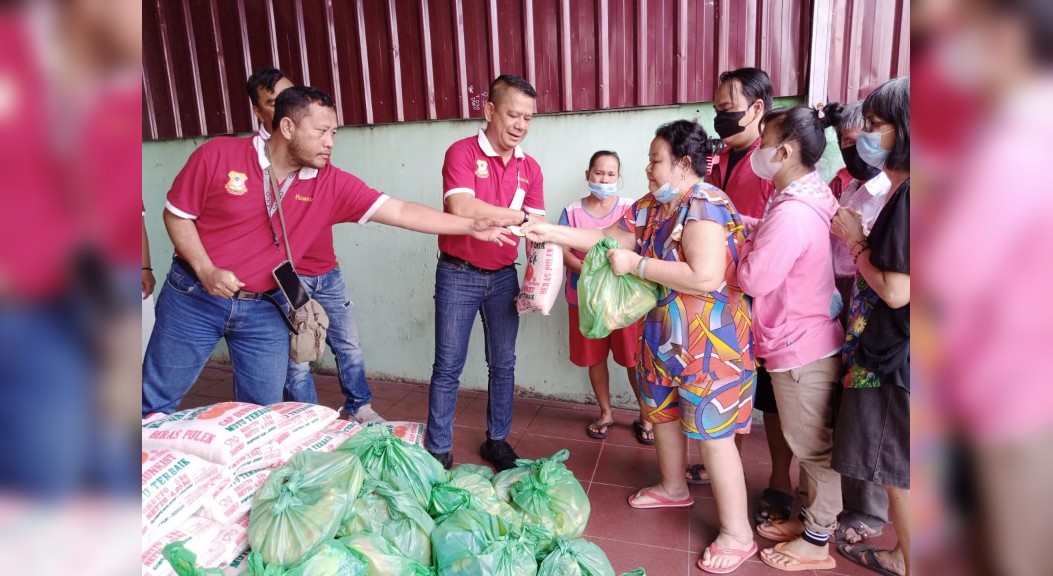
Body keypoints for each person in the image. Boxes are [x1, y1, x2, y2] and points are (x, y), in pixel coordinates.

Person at [142, 86, 513, 416]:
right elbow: (177, 216)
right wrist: (206, 269)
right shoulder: (218, 155)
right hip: (195, 298)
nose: (330, 142)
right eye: (320, 132)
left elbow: (399, 210)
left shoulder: (330, 183)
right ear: (287, 128)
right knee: (155, 400)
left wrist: (470, 224)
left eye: (333, 132)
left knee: (259, 415)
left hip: (265, 309)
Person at [524, 120, 757, 574]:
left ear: (684, 163)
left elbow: (705, 276)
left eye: (655, 160)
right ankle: (673, 488)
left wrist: (638, 265)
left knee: (713, 436)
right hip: (663, 338)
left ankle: (737, 532)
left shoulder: (706, 205)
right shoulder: (652, 206)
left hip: (710, 345)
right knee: (662, 416)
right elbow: (609, 238)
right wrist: (551, 233)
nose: (648, 169)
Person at [734, 104, 846, 571]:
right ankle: (808, 521)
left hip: (800, 346)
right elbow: (780, 239)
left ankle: (818, 543)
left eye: (764, 144)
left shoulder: (794, 212)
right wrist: (752, 228)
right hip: (810, 336)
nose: (758, 151)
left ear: (785, 150)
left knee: (813, 448)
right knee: (807, 441)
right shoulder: (806, 196)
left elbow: (755, 279)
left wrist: (730, 258)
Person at [688, 67, 794, 530]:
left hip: (764, 295)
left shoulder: (772, 160)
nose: (720, 120)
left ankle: (779, 481)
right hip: (722, 295)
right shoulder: (719, 159)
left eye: (727, 111)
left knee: (768, 397)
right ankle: (725, 462)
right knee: (728, 384)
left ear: (756, 109)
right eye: (716, 112)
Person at [246, 68, 384, 423]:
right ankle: (312, 422)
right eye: (276, 103)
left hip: (328, 268)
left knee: (348, 342)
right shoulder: (254, 161)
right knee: (299, 356)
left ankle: (360, 406)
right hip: (289, 278)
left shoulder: (312, 150)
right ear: (262, 112)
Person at [424, 74, 545, 472]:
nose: (520, 125)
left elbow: (537, 230)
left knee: (504, 364)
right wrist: (519, 216)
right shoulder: (460, 152)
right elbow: (461, 207)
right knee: (448, 366)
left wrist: (540, 277)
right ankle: (438, 448)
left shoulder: (531, 168)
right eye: (513, 115)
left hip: (504, 277)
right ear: (490, 110)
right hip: (458, 273)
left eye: (527, 118)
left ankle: (497, 440)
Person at [831, 76, 910, 576]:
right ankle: (904, 552)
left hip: (894, 354)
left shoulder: (907, 200)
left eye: (876, 125)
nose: (867, 136)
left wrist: (856, 242)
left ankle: (910, 559)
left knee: (896, 470)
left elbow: (898, 291)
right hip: (896, 351)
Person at [827, 101, 893, 546]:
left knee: (869, 403)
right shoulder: (850, 186)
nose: (851, 151)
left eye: (857, 141)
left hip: (872, 299)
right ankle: (843, 497)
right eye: (844, 144)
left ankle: (870, 509)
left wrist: (853, 239)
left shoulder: (894, 192)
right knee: (846, 403)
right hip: (843, 297)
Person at [557, 150, 649, 444]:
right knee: (595, 358)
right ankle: (606, 412)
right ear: (588, 175)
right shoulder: (571, 211)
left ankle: (646, 416)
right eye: (599, 173)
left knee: (633, 359)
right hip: (584, 301)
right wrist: (589, 272)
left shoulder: (630, 208)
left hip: (623, 302)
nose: (604, 179)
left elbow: (639, 246)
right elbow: (562, 249)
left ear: (618, 178)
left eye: (611, 174)